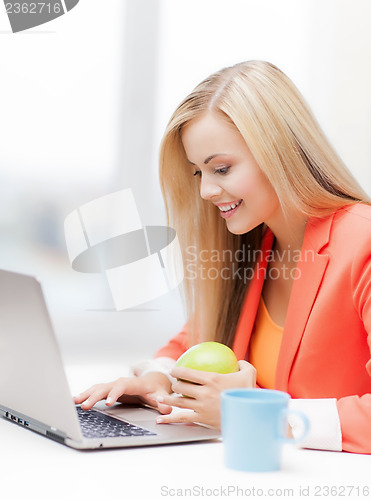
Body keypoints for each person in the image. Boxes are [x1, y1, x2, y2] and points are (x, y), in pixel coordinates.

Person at [74, 60, 371, 454]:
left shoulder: (362, 241)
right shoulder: (255, 246)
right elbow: (185, 345)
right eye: (199, 173)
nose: (206, 191)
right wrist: (159, 379)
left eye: (222, 168)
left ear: (280, 152)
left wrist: (253, 414)